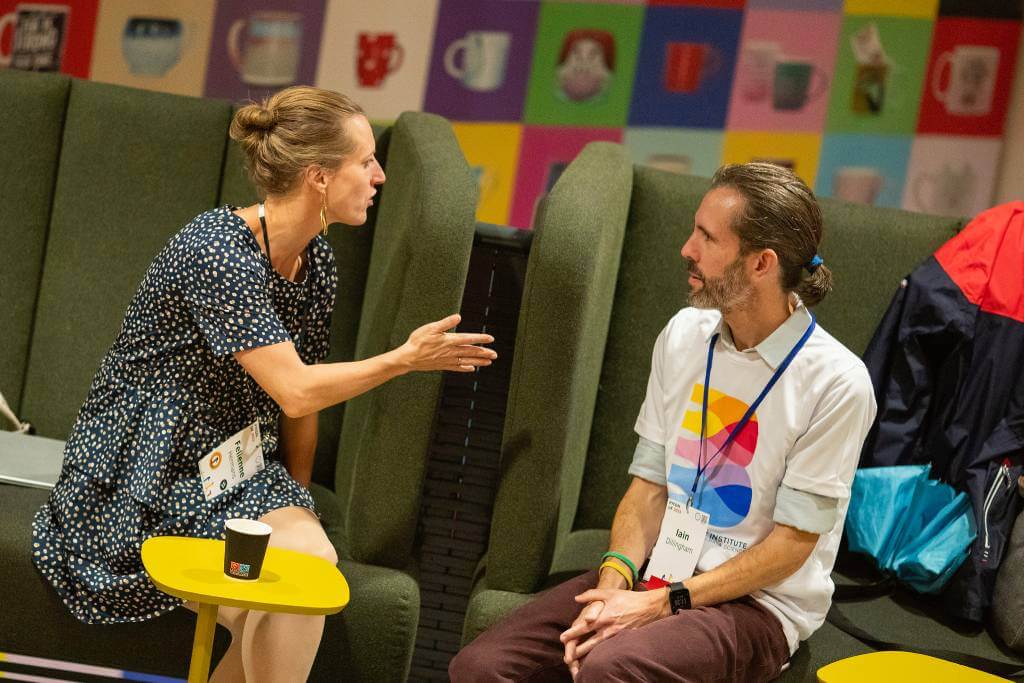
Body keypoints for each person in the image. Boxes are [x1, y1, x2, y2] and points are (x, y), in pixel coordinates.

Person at [31, 85, 497, 682]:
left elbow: (299, 406)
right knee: (266, 602)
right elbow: (297, 388)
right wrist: (404, 359)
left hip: (237, 468)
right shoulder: (217, 250)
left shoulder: (316, 261)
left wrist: (293, 500)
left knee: (307, 568)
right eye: (365, 161)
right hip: (149, 470)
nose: (380, 175)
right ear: (318, 177)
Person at [449, 162, 877, 682]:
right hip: (661, 573)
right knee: (482, 667)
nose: (687, 249)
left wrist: (662, 605)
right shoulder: (683, 335)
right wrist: (613, 584)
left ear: (762, 263)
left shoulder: (837, 382)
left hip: (757, 606)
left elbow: (791, 547)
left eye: (707, 237)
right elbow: (648, 486)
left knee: (607, 668)